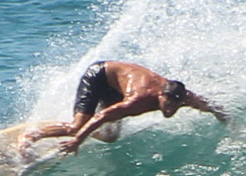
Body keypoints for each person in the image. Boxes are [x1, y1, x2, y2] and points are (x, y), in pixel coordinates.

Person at [22, 60, 226, 156]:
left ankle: (72, 128)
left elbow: (211, 106)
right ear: (160, 96)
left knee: (110, 137)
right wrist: (78, 140)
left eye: (175, 106)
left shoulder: (183, 97)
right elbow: (102, 116)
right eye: (168, 104)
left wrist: (227, 120)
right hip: (99, 77)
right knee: (77, 127)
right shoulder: (138, 101)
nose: (170, 110)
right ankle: (32, 135)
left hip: (118, 88)